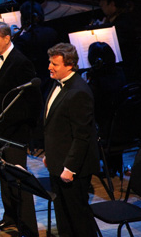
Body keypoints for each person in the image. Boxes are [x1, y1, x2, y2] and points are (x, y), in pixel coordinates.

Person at [0, 21, 41, 236]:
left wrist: (22, 128)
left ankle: (28, 229)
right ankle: (10, 217)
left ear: (7, 38)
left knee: (19, 180)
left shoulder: (21, 62)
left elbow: (33, 101)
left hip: (15, 132)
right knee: (4, 176)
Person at [44, 43, 98, 237]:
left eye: (55, 64)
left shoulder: (79, 92)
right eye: (50, 62)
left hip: (73, 168)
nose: (49, 67)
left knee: (78, 218)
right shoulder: (57, 82)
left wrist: (70, 168)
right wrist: (50, 154)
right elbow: (56, 127)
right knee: (63, 216)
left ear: (69, 65)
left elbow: (82, 136)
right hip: (57, 162)